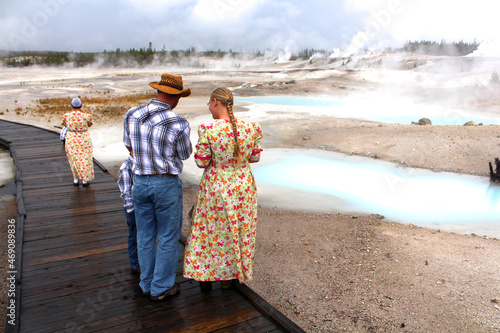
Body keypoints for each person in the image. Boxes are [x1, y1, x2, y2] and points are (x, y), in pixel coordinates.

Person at [183, 87, 263, 290]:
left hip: (217, 187)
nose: (209, 107)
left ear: (215, 102)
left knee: (211, 232)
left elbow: (202, 162)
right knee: (239, 230)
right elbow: (254, 157)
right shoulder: (251, 127)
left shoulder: (209, 128)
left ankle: (208, 276)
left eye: (209, 103)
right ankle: (231, 277)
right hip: (243, 187)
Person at [123, 73, 192, 301]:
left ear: (158, 91)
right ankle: (161, 287)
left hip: (139, 181)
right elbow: (184, 154)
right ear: (177, 98)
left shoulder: (132, 114)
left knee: (144, 234)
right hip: (165, 183)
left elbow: (129, 146)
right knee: (167, 236)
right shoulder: (178, 122)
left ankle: (146, 283)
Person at [62, 98, 94, 186]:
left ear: (72, 106)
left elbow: (64, 124)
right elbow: (90, 124)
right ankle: (85, 179)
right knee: (85, 159)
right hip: (84, 139)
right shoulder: (86, 116)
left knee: (73, 159)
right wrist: (83, 112)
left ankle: (75, 179)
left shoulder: (67, 116)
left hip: (71, 139)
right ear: (81, 106)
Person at [117, 155, 140, 275]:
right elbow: (126, 192)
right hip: (133, 209)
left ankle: (141, 261)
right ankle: (135, 264)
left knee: (142, 236)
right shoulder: (126, 167)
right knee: (134, 235)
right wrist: (131, 211)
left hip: (142, 207)